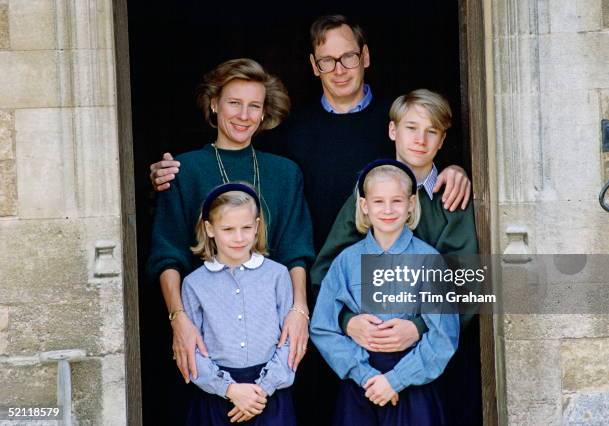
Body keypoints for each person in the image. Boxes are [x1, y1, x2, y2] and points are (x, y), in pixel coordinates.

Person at [149, 15, 472, 255]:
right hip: (317, 271)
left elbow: (429, 148)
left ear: (366, 57)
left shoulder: (398, 119)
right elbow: (234, 148)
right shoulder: (290, 129)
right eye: (327, 61)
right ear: (314, 66)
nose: (340, 69)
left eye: (348, 57)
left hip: (384, 268)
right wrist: (170, 173)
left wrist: (456, 167)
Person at [146, 58, 314, 400]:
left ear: (265, 112)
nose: (243, 115)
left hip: (272, 341)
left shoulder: (284, 173)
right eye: (234, 103)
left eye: (254, 106)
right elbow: (167, 255)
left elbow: (297, 248)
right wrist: (178, 319)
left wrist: (299, 311)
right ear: (213, 103)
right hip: (208, 340)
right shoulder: (183, 170)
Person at [310, 89, 481, 425]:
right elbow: (329, 271)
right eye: (411, 128)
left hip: (434, 358)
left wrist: (418, 329)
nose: (420, 140)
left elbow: (467, 284)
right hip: (364, 358)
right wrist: (347, 322)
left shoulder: (452, 197)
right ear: (392, 131)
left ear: (443, 140)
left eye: (431, 131)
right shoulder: (369, 192)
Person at [310, 159, 459, 425]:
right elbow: (322, 327)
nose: (388, 210)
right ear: (365, 206)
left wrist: (396, 380)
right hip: (361, 388)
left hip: (414, 386)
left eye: (397, 201)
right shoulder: (346, 261)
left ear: (411, 204)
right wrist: (365, 375)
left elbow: (444, 335)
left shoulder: (429, 260)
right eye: (378, 202)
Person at [182, 183, 296, 425]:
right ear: (210, 229)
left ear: (257, 227)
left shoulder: (277, 275)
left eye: (246, 228)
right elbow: (191, 348)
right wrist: (230, 390)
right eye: (228, 229)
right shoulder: (194, 283)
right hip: (217, 395)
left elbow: (289, 341)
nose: (239, 237)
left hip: (269, 395)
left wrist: (262, 389)